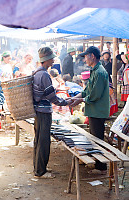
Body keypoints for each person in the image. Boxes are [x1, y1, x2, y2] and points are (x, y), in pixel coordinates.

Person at [33, 47, 72, 178]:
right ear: (47, 60)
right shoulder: (44, 75)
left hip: (38, 111)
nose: (54, 60)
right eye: (52, 58)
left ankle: (38, 168)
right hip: (44, 112)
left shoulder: (37, 72)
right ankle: (41, 171)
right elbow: (52, 98)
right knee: (43, 141)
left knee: (38, 140)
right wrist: (66, 102)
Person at [69, 46, 110, 172]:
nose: (85, 59)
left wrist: (79, 100)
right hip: (94, 110)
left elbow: (94, 96)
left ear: (92, 56)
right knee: (94, 138)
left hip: (98, 111)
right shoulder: (95, 70)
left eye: (86, 56)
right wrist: (74, 98)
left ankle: (101, 166)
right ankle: (97, 163)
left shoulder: (99, 72)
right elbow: (86, 91)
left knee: (97, 140)